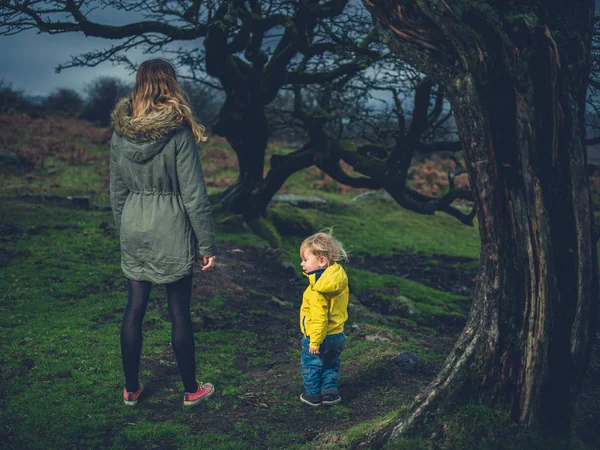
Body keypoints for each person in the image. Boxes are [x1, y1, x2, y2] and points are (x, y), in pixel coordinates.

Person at [109, 58, 216, 408]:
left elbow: (116, 190)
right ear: (170, 85)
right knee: (179, 312)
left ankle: (131, 389)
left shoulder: (120, 132)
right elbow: (194, 194)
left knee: (134, 308)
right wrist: (207, 242)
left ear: (139, 85)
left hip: (134, 223)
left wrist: (124, 228)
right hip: (171, 225)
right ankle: (190, 390)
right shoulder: (179, 133)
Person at [298, 230, 349, 406]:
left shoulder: (317, 289)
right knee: (331, 363)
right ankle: (329, 393)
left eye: (305, 259)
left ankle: (313, 395)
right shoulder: (339, 278)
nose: (302, 263)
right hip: (337, 334)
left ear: (321, 261)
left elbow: (320, 318)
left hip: (318, 336)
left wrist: (314, 342)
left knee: (312, 365)